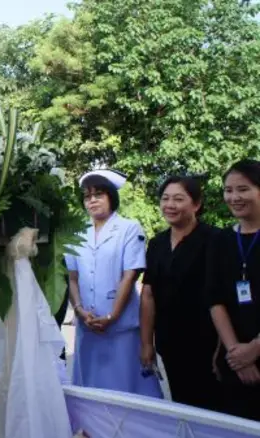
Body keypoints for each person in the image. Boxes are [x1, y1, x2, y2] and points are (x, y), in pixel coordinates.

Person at [65, 169, 162, 397]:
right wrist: (79, 311)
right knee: (90, 392)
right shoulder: (77, 232)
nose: (92, 200)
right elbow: (72, 277)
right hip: (87, 327)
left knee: (126, 390)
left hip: (120, 328)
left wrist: (112, 316)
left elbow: (130, 275)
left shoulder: (129, 229)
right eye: (87, 196)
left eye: (99, 194)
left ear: (112, 197)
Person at [140, 176, 221, 410]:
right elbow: (148, 294)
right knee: (182, 407)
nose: (170, 205)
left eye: (178, 199)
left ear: (196, 204)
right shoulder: (157, 243)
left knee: (213, 410)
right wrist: (146, 343)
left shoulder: (215, 240)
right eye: (165, 199)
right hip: (170, 342)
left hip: (207, 344)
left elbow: (222, 296)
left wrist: (221, 347)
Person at [206, 159, 260, 421]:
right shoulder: (221, 240)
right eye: (228, 190)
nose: (234, 197)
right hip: (234, 360)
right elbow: (215, 300)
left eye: (243, 189)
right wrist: (235, 352)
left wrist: (255, 349)